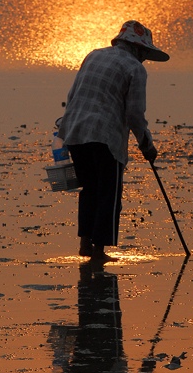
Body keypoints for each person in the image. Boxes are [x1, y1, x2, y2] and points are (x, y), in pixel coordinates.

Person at [58, 20, 170, 262]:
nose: (144, 60)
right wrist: (147, 145)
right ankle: (99, 252)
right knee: (109, 193)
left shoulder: (94, 55)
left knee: (89, 189)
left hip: (75, 130)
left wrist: (64, 129)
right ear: (138, 49)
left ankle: (85, 244)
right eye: (145, 54)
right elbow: (134, 114)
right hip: (105, 136)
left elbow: (72, 94)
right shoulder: (135, 68)